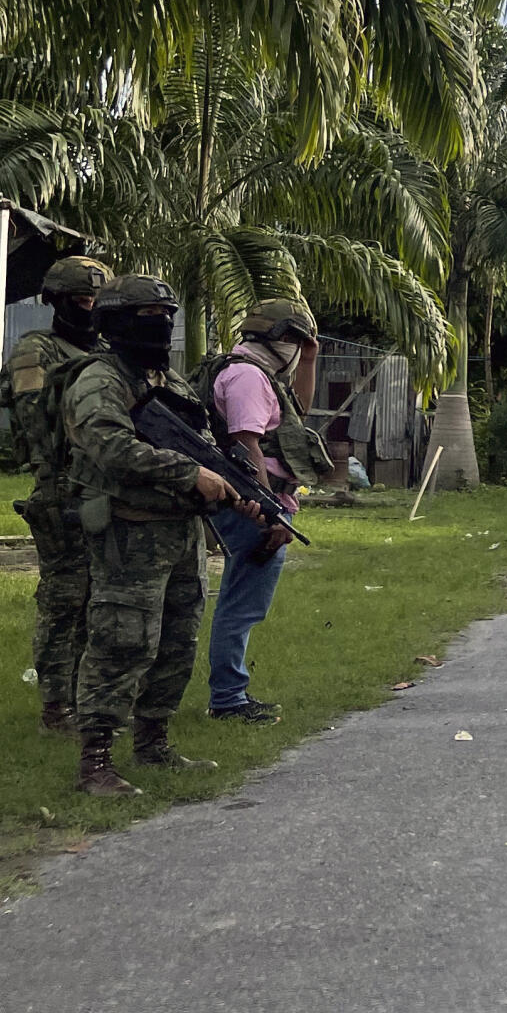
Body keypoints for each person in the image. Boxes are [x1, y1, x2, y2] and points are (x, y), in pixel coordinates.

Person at [63, 275, 254, 795]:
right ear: (115, 324)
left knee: (176, 642)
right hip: (129, 532)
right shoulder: (100, 381)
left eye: (166, 317)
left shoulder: (171, 383)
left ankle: (154, 743)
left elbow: (205, 448)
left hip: (180, 534)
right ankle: (95, 762)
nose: (162, 328)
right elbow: (110, 448)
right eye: (147, 317)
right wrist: (188, 475)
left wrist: (236, 490)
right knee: (121, 642)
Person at [197, 298, 331, 725]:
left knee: (244, 602)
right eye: (298, 342)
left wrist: (309, 361)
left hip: (259, 500)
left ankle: (229, 694)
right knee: (241, 605)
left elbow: (296, 418)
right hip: (251, 504)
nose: (299, 350)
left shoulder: (259, 374)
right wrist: (271, 511)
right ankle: (229, 699)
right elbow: (245, 444)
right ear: (280, 339)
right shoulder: (247, 377)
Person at [3, 255, 111, 733]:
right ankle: (56, 708)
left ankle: (88, 700)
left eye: (95, 300)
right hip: (61, 489)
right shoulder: (36, 351)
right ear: (57, 302)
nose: (89, 309)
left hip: (104, 490)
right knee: (65, 601)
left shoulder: (107, 351)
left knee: (101, 600)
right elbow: (36, 423)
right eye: (81, 301)